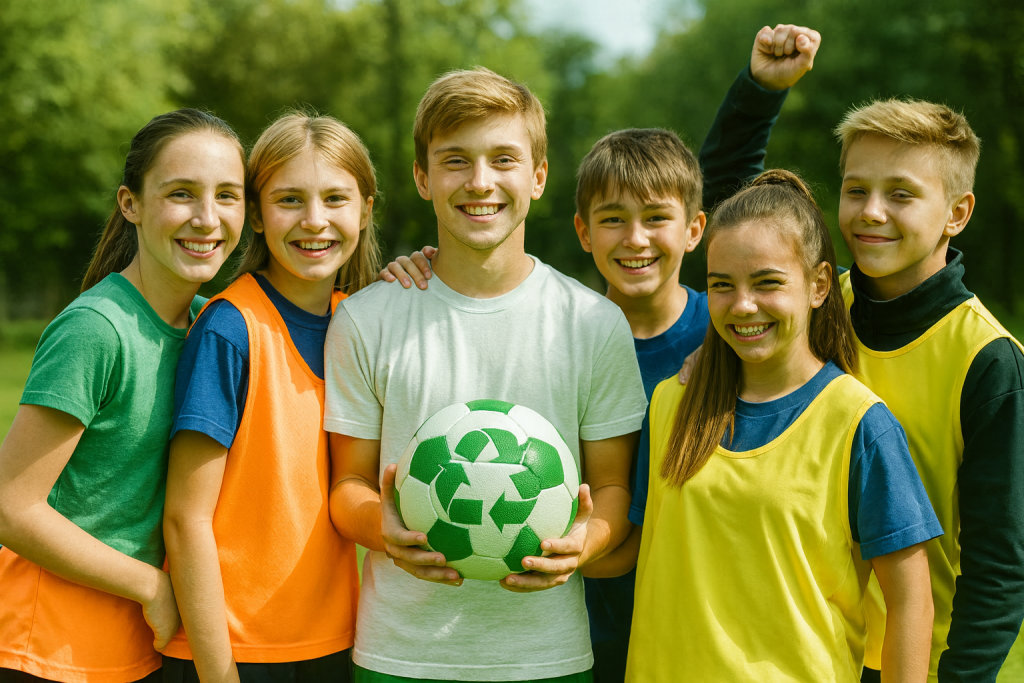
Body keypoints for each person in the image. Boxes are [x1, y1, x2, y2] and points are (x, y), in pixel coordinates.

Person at [380, 24, 822, 682]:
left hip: (707, 620)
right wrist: (422, 272)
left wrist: (758, 91)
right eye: (613, 219)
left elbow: (723, 191)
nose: (636, 239)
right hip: (584, 616)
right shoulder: (567, 332)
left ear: (695, 232)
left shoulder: (728, 333)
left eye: (655, 220)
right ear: (583, 232)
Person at [325, 67, 647, 682]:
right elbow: (349, 487)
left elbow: (612, 491)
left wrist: (586, 543)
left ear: (539, 175)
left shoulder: (593, 323)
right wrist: (384, 528)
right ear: (422, 178)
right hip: (399, 655)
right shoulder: (368, 320)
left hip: (545, 657)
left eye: (504, 159)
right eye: (454, 161)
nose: (480, 182)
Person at [626, 170, 941, 681]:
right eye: (721, 285)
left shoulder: (859, 423)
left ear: (818, 285)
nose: (743, 305)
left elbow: (911, 601)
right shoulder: (671, 403)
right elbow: (631, 551)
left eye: (767, 282)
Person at [0, 109, 246, 683]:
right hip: (45, 651)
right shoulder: (97, 328)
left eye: (227, 196)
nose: (207, 219)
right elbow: (12, 507)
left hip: (131, 651)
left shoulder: (208, 326)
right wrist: (150, 584)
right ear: (130, 204)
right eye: (181, 193)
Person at [160, 112, 379, 683]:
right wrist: (218, 672)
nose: (315, 221)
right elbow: (186, 519)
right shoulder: (229, 329)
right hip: (231, 654)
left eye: (335, 198)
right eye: (289, 200)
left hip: (335, 644)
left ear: (366, 209)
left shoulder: (358, 322)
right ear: (256, 215)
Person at [832, 100, 1024, 681]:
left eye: (901, 194)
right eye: (855, 189)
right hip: (806, 649)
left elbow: (999, 565)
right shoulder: (815, 310)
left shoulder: (990, 361)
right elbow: (719, 214)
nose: (871, 212)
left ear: (956, 213)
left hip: (916, 664)